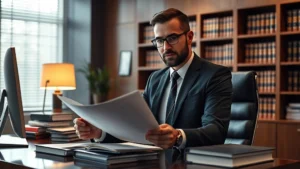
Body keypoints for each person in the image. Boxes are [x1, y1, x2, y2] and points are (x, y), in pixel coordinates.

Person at [73, 8, 232, 150]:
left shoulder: (215, 75)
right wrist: (99, 132)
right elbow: (135, 128)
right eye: (159, 41)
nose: (166, 47)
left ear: (189, 37)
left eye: (172, 38)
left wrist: (178, 136)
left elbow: (216, 130)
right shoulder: (155, 79)